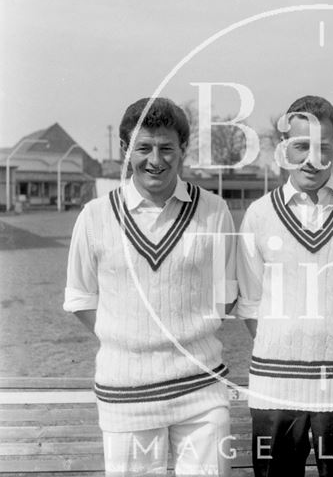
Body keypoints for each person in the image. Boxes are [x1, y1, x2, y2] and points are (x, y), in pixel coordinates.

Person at [64, 97, 237, 476]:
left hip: (202, 391)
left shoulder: (213, 210)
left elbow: (225, 295)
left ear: (183, 150)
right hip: (126, 396)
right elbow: (80, 297)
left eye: (166, 148)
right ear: (126, 150)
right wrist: (127, 337)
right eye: (143, 148)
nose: (155, 160)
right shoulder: (95, 216)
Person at [236, 95, 333, 477]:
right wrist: (292, 344)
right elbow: (252, 305)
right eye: (301, 146)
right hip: (276, 386)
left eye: (323, 147)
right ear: (283, 148)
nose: (312, 158)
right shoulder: (259, 214)